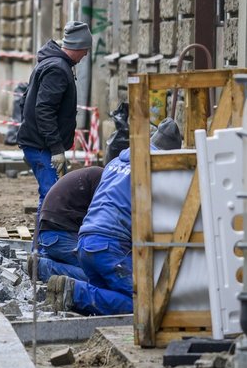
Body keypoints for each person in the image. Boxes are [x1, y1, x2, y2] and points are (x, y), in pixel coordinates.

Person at [45, 118, 183, 316]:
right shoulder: (154, 167)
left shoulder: (116, 162)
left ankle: (76, 296)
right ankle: (76, 293)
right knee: (149, 306)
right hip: (110, 247)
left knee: (110, 299)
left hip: (86, 241)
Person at [16, 20, 93, 212]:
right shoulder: (58, 69)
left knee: (56, 194)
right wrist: (56, 148)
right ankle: (45, 242)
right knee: (52, 197)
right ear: (78, 46)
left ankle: (46, 240)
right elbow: (44, 110)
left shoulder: (51, 62)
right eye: (85, 49)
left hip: (40, 144)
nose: (86, 55)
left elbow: (25, 101)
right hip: (42, 146)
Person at [32, 166, 104, 282]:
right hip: (58, 235)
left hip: (52, 234)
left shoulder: (99, 175)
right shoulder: (105, 181)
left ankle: (50, 261)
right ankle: (44, 268)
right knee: (99, 276)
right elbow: (101, 225)